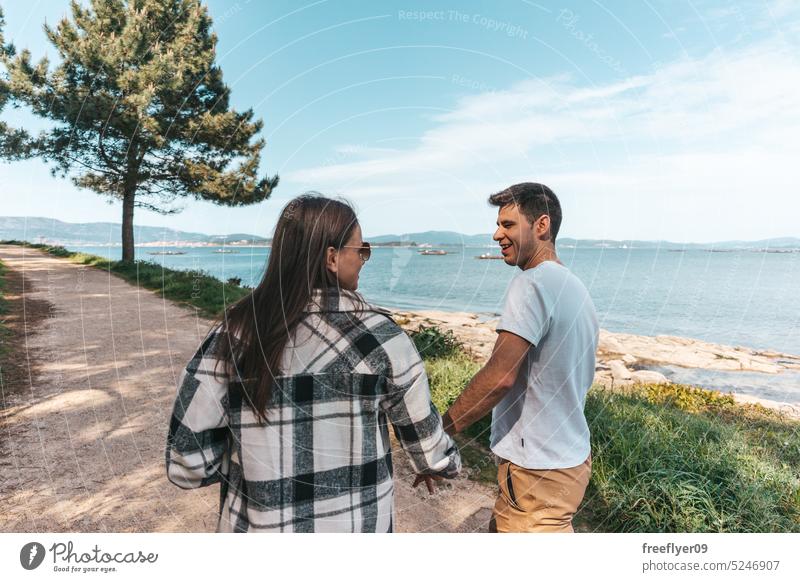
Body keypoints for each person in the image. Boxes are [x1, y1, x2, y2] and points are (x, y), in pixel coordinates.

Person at [166, 194, 460, 532]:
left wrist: (254, 462)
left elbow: (185, 464)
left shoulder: (233, 335)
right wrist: (447, 464)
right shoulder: (383, 340)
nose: (364, 259)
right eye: (361, 250)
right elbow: (431, 452)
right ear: (332, 258)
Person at [442, 183, 598, 533]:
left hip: (535, 470)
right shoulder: (574, 287)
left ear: (541, 226)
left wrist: (442, 429)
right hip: (569, 461)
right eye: (499, 225)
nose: (497, 234)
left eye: (508, 225)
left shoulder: (531, 283)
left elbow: (500, 377)